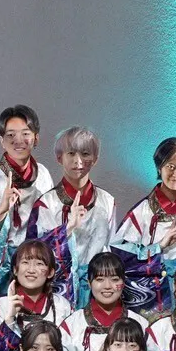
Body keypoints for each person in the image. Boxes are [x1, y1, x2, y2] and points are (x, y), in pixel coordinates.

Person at [112, 137, 176, 318]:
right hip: (151, 297)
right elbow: (120, 255)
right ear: (159, 167)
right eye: (171, 166)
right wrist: (159, 247)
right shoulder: (141, 212)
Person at [0, 105, 54, 295]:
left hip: (34, 263)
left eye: (26, 133)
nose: (18, 140)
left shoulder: (43, 174)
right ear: (2, 141)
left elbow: (49, 223)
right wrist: (1, 212)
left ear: (36, 138)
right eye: (10, 135)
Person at [28, 126, 118, 305]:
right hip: (56, 290)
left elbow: (112, 249)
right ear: (59, 157)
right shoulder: (46, 203)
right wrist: (66, 229)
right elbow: (33, 253)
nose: (78, 161)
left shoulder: (107, 201)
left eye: (85, 154)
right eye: (71, 153)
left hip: (97, 290)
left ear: (95, 159)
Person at [0, 241, 72, 351]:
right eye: (25, 262)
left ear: (50, 272)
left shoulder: (62, 306)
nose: (31, 270)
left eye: (39, 264)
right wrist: (10, 319)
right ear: (15, 269)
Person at [59, 252, 130, 351]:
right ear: (89, 283)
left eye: (115, 279)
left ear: (123, 282)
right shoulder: (71, 325)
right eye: (100, 279)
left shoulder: (140, 324)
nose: (107, 286)